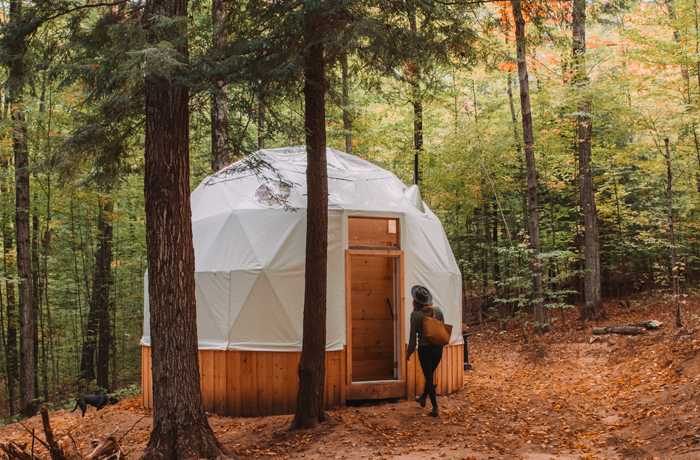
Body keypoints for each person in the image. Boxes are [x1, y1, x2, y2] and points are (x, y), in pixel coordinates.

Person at [406, 284, 445, 417]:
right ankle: (423, 397)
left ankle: (435, 407)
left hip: (425, 349)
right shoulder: (438, 310)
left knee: (429, 377)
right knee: (429, 376)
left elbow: (412, 337)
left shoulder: (415, 315)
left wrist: (409, 352)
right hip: (438, 348)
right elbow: (442, 328)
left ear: (415, 300)